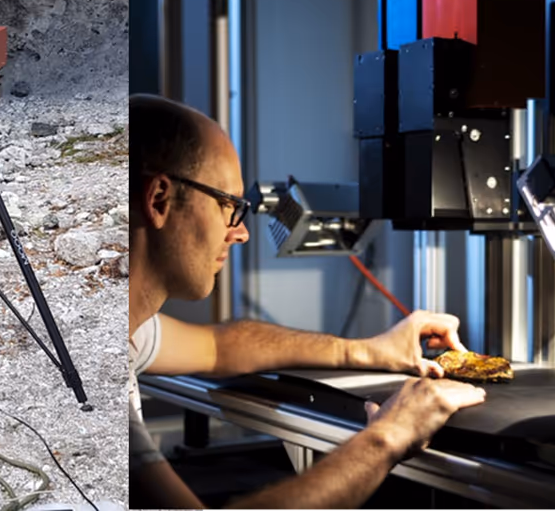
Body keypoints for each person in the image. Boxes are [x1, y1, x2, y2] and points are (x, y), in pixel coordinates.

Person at [129, 93, 488, 511]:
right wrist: (388, 435)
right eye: (229, 206)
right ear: (159, 200)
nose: (240, 233)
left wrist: (370, 350)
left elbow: (221, 345)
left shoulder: (129, 327)